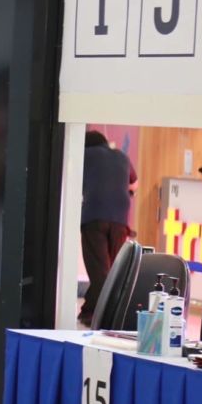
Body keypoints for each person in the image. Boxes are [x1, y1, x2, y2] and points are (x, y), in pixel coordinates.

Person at [78, 130, 138, 327]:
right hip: (121, 217)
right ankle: (91, 309)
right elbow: (133, 182)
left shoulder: (85, 154)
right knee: (110, 269)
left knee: (99, 270)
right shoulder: (121, 156)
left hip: (94, 215)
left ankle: (99, 316)